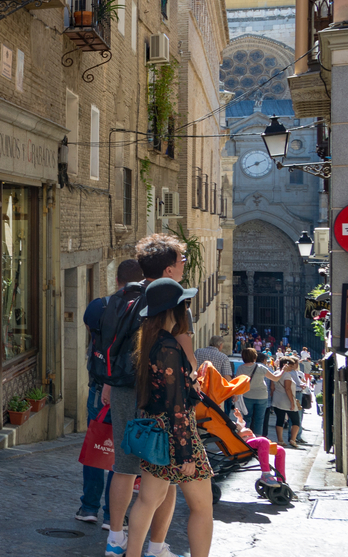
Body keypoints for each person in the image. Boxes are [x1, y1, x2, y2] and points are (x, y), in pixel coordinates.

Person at [101, 235, 186, 557]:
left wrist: (109, 381)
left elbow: (114, 343)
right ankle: (155, 546)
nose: (182, 266)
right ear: (168, 267)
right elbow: (184, 357)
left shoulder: (127, 297)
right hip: (160, 393)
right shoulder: (173, 300)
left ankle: (115, 539)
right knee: (166, 470)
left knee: (124, 466)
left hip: (124, 388)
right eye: (182, 261)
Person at [125, 278, 213, 557]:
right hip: (177, 434)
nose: (186, 311)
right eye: (184, 305)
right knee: (203, 508)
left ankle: (132, 553)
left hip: (156, 432)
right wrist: (186, 454)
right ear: (172, 310)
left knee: (148, 501)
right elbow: (176, 405)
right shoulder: (170, 349)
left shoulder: (150, 342)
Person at [76, 259, 143, 529]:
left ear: (116, 280)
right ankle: (112, 515)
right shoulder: (148, 310)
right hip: (131, 390)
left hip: (99, 386)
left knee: (97, 444)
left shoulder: (100, 306)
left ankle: (89, 507)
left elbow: (94, 340)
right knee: (122, 451)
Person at [232, 410, 286, 487]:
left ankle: (281, 481)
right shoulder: (223, 427)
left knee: (280, 450)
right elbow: (232, 439)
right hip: (244, 444)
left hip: (252, 441)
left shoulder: (229, 423)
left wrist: (240, 418)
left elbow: (240, 425)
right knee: (263, 440)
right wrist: (243, 433)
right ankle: (265, 474)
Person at [271, 357, 303, 448]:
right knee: (296, 421)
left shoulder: (275, 373)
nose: (292, 368)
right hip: (286, 401)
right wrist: (292, 402)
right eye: (291, 366)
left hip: (277, 400)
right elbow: (287, 388)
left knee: (280, 420)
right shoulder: (287, 375)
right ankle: (292, 439)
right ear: (286, 365)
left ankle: (280, 440)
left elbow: (272, 387)